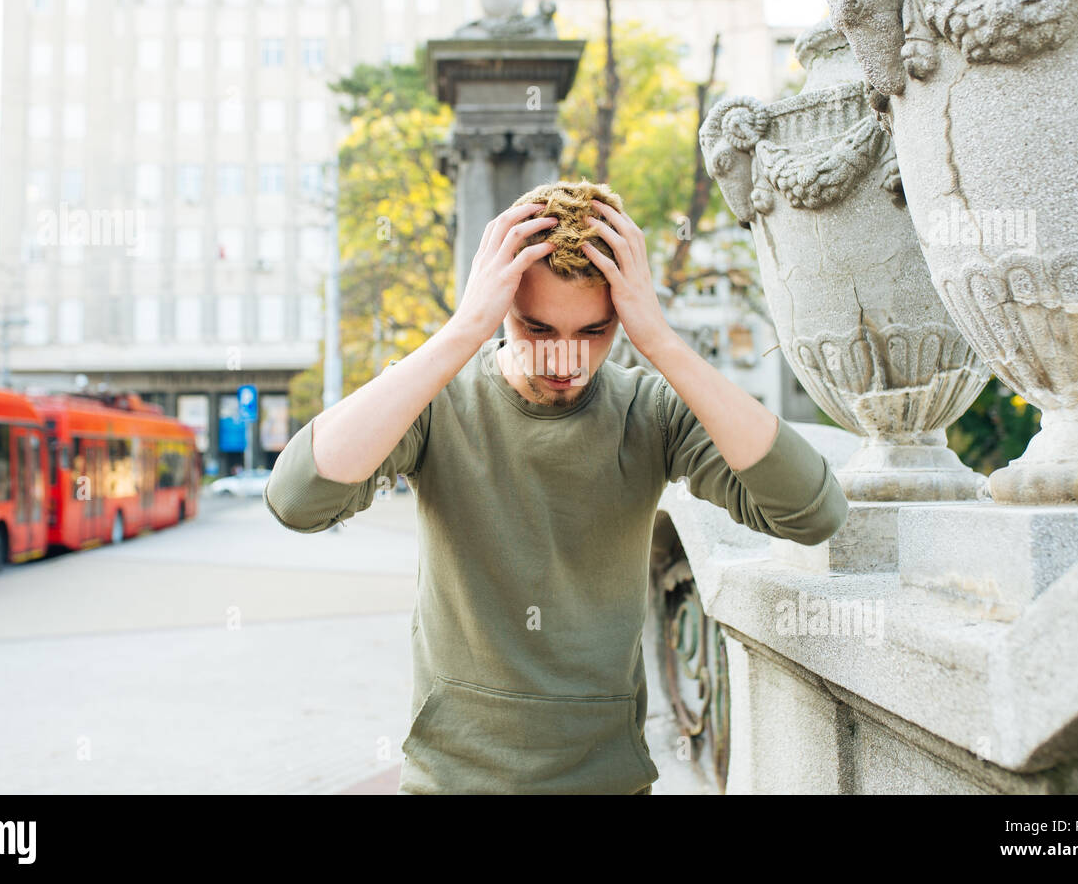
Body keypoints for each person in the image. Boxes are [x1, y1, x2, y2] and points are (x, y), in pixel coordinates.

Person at [265, 179, 849, 794]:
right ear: (500, 305)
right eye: (538, 329)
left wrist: (661, 341)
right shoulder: (439, 403)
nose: (566, 361)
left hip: (606, 781)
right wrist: (464, 330)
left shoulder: (649, 412)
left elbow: (813, 512)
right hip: (453, 779)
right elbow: (298, 500)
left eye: (595, 331)